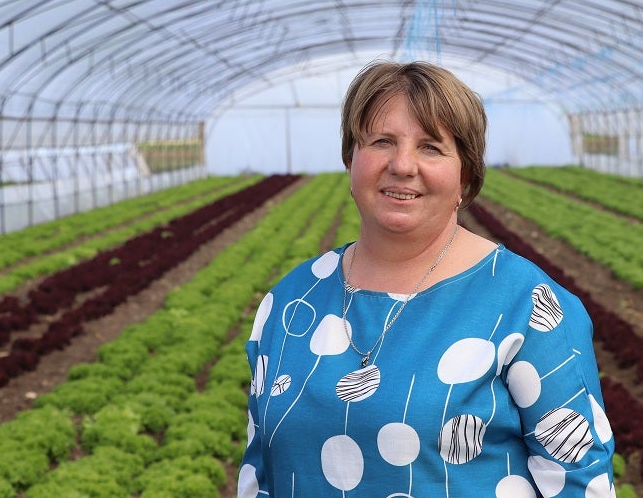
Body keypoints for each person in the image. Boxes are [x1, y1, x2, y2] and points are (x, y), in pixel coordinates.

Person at [238, 60, 616, 497]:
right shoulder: (291, 302)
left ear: (465, 175)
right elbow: (259, 473)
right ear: (351, 158)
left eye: (431, 147)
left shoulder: (527, 306)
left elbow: (580, 484)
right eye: (382, 141)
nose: (402, 165)